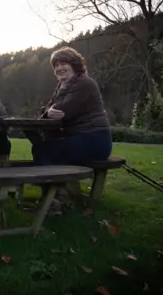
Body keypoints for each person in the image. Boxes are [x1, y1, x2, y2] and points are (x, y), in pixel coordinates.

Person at [33, 47, 112, 215]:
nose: (59, 68)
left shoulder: (84, 83)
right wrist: (47, 111)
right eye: (56, 65)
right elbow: (48, 110)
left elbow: (62, 110)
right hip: (81, 139)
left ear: (74, 64)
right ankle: (59, 194)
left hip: (95, 140)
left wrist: (50, 109)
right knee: (44, 147)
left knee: (42, 150)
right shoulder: (64, 85)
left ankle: (55, 200)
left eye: (64, 64)